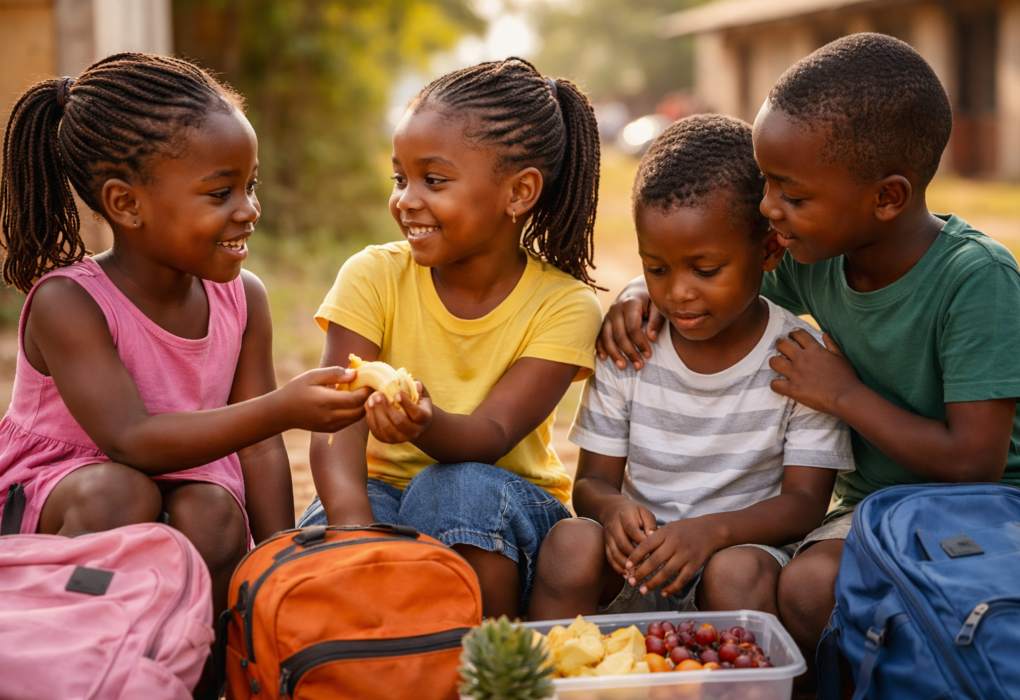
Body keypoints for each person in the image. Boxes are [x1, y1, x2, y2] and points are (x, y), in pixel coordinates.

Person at [597, 33, 1020, 666]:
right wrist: (639, 292)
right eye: (768, 185)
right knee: (805, 586)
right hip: (867, 511)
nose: (768, 210)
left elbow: (972, 463)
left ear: (886, 197)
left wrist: (842, 393)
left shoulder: (976, 279)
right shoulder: (817, 258)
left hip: (983, 509)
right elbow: (714, 277)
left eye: (792, 196)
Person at [0, 54, 373, 620]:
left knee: (216, 510)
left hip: (185, 478)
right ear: (127, 204)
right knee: (120, 493)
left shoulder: (243, 297)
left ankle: (211, 665)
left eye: (251, 186)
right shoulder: (69, 303)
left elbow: (260, 446)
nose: (249, 210)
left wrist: (278, 563)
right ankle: (78, 658)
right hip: (64, 495)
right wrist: (282, 408)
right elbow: (130, 439)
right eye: (220, 193)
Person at [296, 58, 604, 618]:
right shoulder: (372, 275)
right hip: (380, 494)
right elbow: (333, 421)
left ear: (519, 192)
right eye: (400, 178)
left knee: (458, 489)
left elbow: (491, 435)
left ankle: (484, 662)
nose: (407, 199)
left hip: (505, 514)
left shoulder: (564, 305)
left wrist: (424, 423)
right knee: (318, 536)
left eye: (433, 180)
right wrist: (350, 528)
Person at [527, 115, 853, 623]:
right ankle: (558, 670)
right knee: (571, 541)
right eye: (655, 269)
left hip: (739, 557)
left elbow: (806, 503)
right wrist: (613, 512)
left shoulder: (801, 359)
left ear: (768, 250)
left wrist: (711, 532)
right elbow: (591, 481)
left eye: (705, 271)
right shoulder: (632, 347)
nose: (677, 291)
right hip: (638, 559)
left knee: (736, 572)